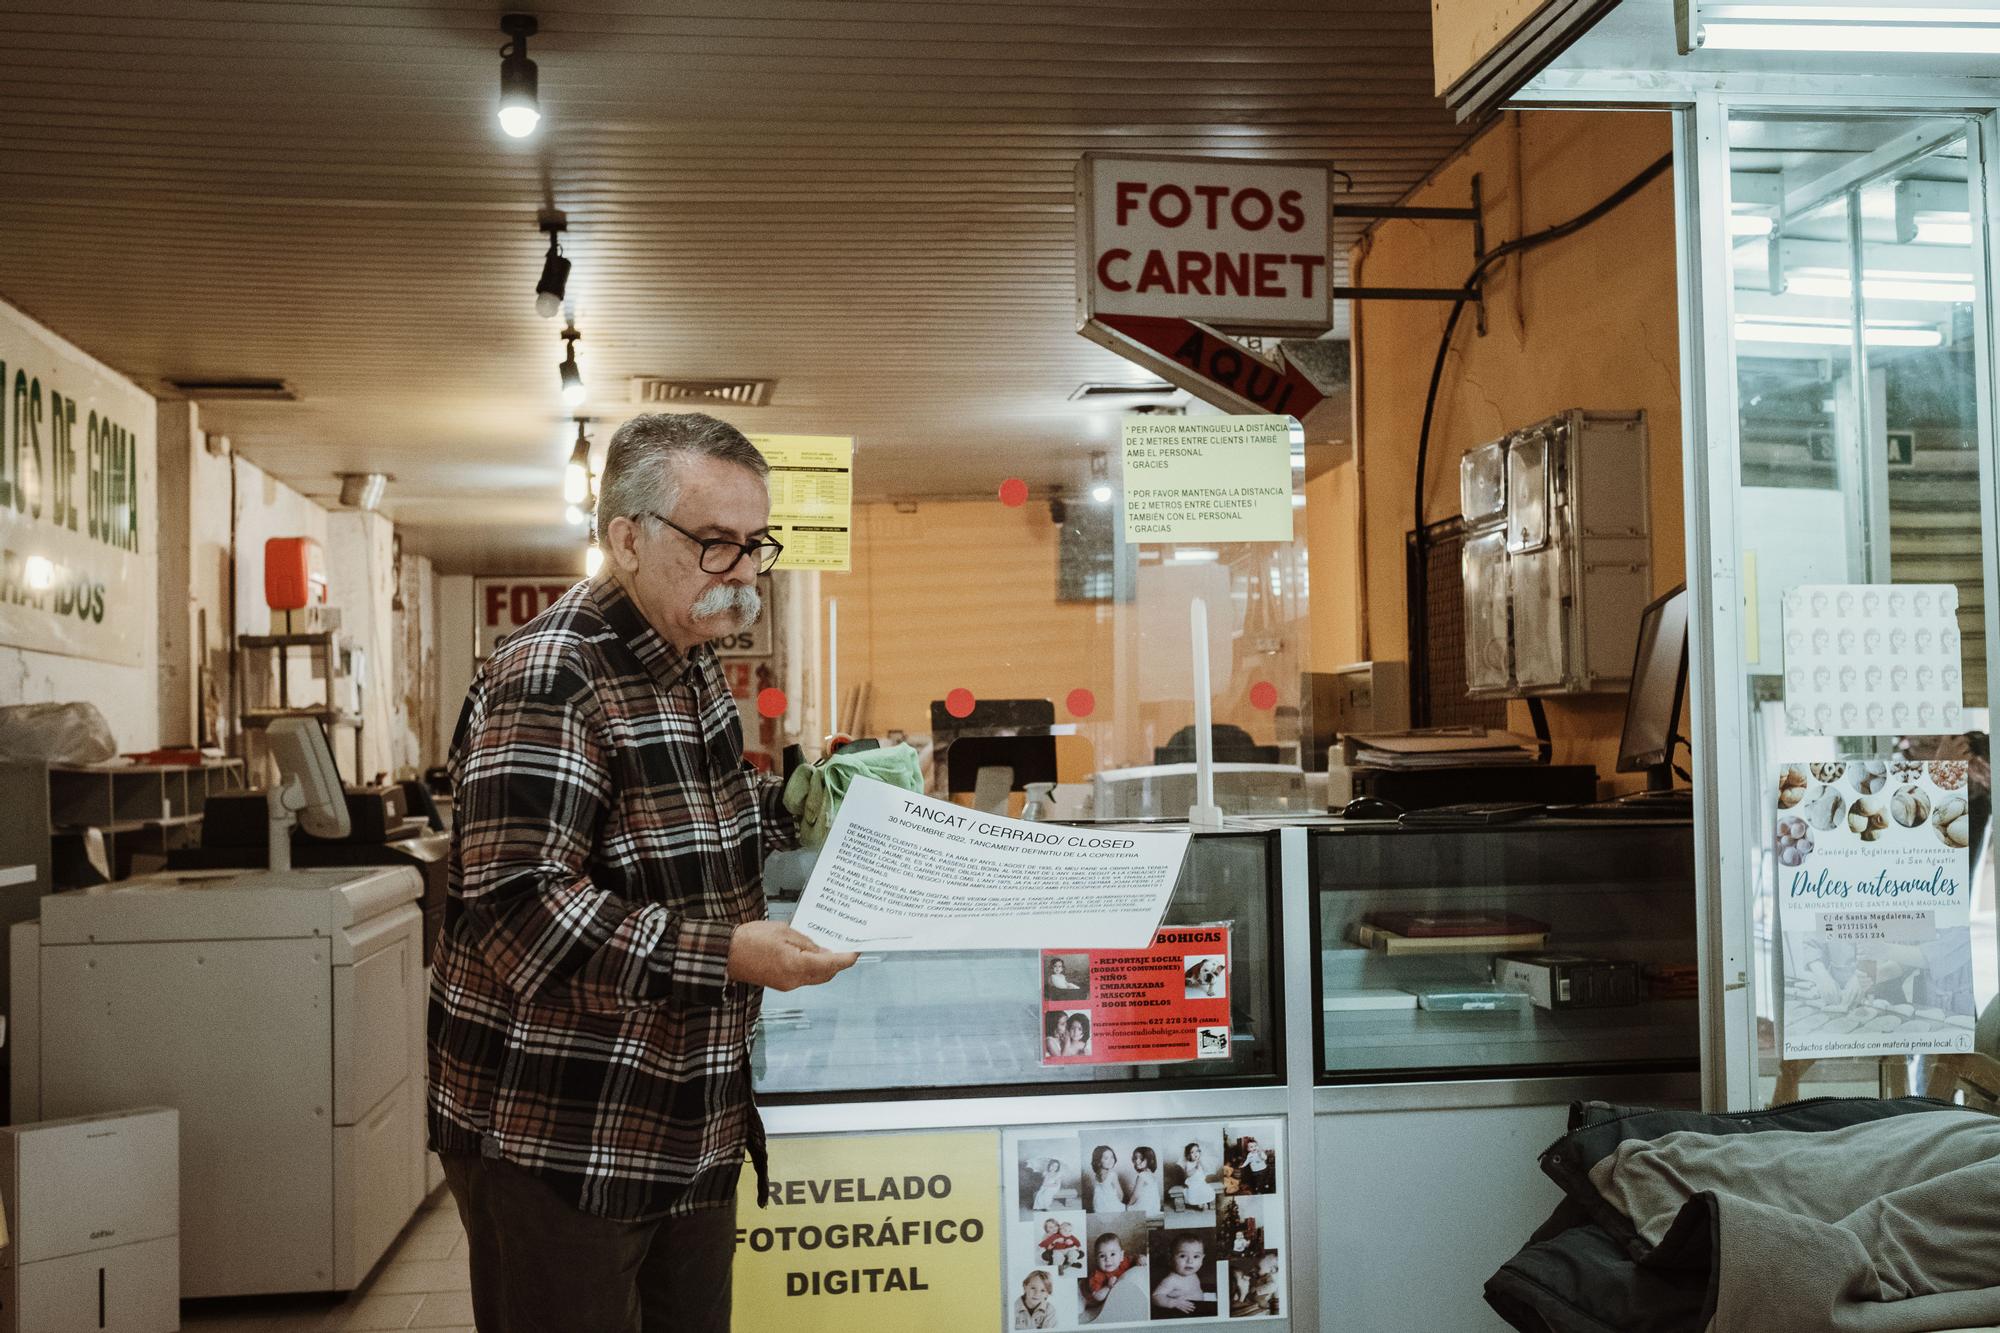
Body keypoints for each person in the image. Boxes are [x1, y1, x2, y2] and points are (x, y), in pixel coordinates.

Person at [428, 413, 860, 1333]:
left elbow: (684, 829)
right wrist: (732, 954)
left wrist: (811, 805)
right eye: (715, 544)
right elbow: (522, 914)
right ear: (625, 537)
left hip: (689, 1123)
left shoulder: (690, 660)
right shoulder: (552, 674)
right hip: (562, 1135)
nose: (743, 571)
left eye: (755, 545)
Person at [1152, 1234, 1209, 1316]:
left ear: (1202, 1258)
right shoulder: (1171, 1280)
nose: (1190, 1261)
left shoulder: (1193, 1274)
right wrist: (1174, 1303)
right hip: (1181, 1314)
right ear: (1171, 1259)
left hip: (1197, 1309)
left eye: (1196, 1256)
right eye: (1182, 1256)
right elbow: (1155, 1296)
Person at [1083, 1232, 1138, 1314]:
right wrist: (1108, 1287)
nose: (1107, 1259)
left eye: (1112, 1254)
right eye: (1102, 1256)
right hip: (1085, 1295)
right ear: (1096, 1260)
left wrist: (1141, 1259)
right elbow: (1097, 1297)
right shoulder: (1096, 1275)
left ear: (1121, 1255)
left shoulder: (1125, 1262)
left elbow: (1136, 1258)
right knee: (1079, 1308)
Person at [1178, 1141, 1215, 1211]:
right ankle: (1199, 1202)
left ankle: (1204, 1202)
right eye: (1192, 1152)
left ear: (1200, 1153)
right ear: (1188, 1155)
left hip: (1201, 1182)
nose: (1195, 1154)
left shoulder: (1200, 1161)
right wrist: (1195, 1167)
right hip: (1192, 1183)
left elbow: (1205, 1170)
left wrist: (1201, 1163)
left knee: (1205, 1190)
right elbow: (1188, 1174)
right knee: (1193, 1192)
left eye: (1197, 1151)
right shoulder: (1187, 1163)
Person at [1087, 1144, 1126, 1209]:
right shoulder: (1112, 1175)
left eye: (1112, 1157)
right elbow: (1120, 1195)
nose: (1110, 1160)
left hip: (1099, 1206)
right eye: (1106, 1158)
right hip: (1112, 1206)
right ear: (1098, 1161)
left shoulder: (1096, 1175)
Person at [1129, 1145, 1163, 1212]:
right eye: (1135, 1158)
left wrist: (1128, 1205)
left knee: (1126, 1208)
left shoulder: (1142, 1175)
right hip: (1154, 1209)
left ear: (1150, 1160)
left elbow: (1135, 1196)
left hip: (1144, 1210)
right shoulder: (1152, 1175)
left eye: (1141, 1158)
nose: (1137, 1161)